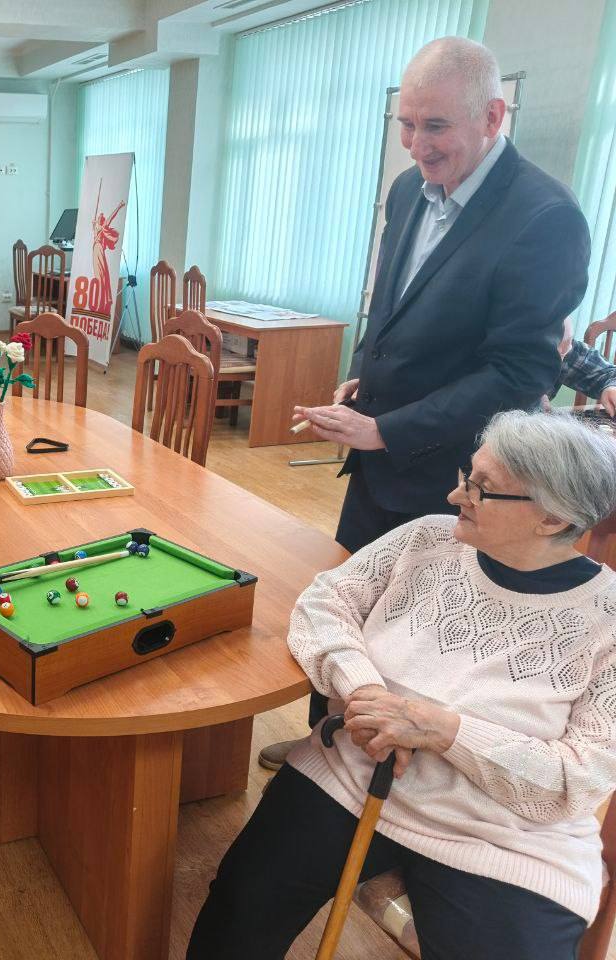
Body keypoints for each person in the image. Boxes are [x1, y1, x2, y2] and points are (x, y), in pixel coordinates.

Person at [266, 35, 591, 771]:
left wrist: (388, 428)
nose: (417, 145)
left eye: (435, 126)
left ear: (493, 117)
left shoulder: (546, 217)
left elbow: (520, 373)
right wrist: (362, 375)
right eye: (406, 125)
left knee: (415, 631)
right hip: (376, 458)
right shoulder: (408, 189)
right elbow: (387, 305)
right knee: (351, 602)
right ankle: (323, 748)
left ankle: (391, 774)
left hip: (455, 477)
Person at [187, 410, 616, 960]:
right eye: (467, 475)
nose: (456, 494)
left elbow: (578, 777)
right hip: (351, 776)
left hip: (502, 835)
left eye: (481, 489)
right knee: (237, 915)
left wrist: (442, 730)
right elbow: (325, 603)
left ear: (553, 519)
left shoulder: (606, 619)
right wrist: (365, 693)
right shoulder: (427, 539)